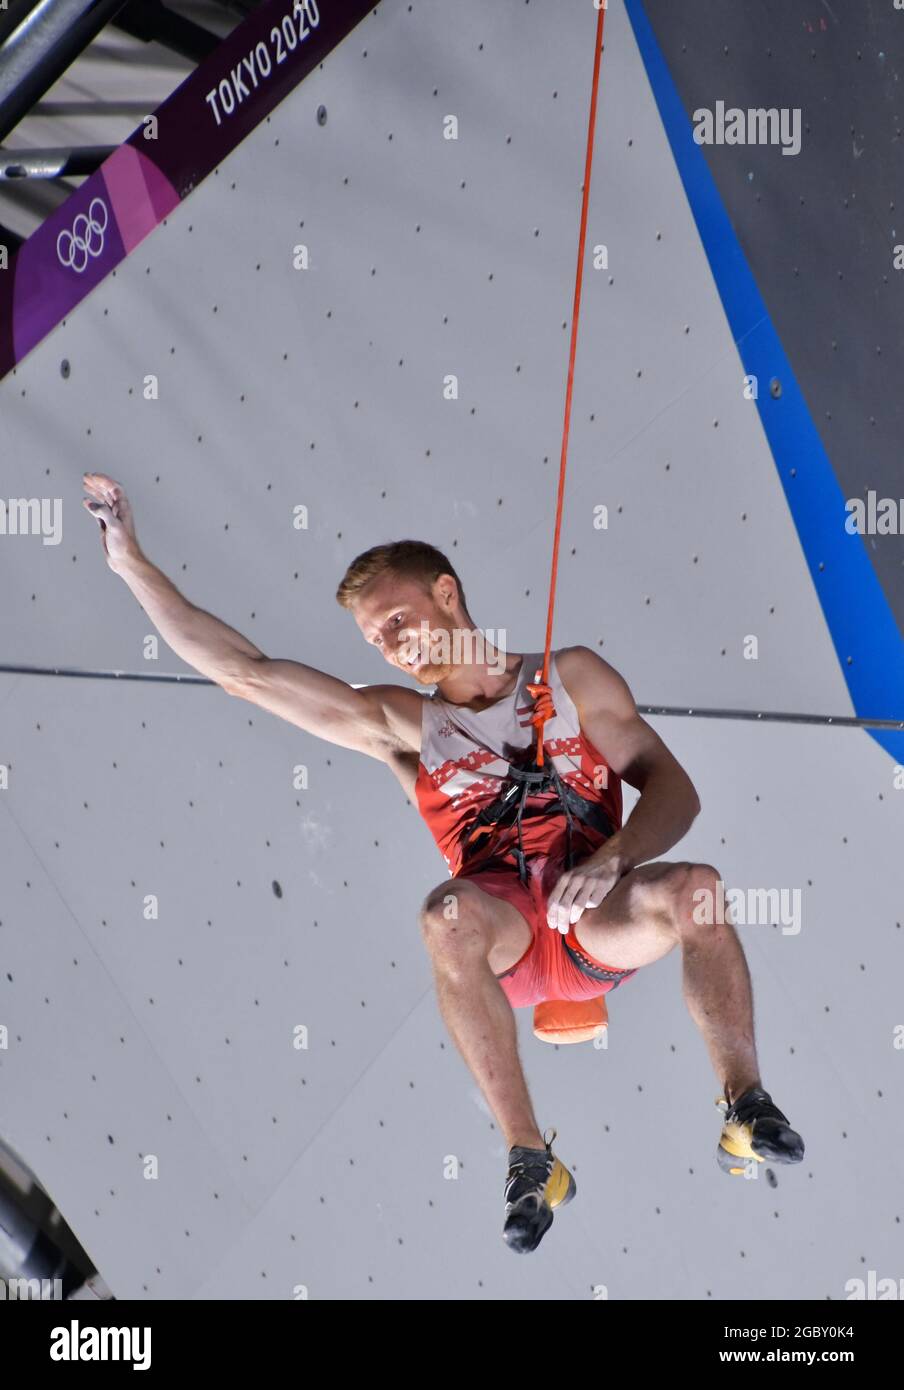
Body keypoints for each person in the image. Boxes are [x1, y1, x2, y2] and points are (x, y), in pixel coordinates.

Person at [83, 473, 805, 1255]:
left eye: (396, 619)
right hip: (510, 941)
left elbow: (677, 792)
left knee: (696, 890)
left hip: (597, 922)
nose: (391, 644)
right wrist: (129, 563)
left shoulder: (574, 678)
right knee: (444, 915)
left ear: (447, 593)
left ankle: (744, 1105)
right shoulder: (400, 722)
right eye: (375, 638)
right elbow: (245, 674)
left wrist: (616, 856)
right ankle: (531, 1157)